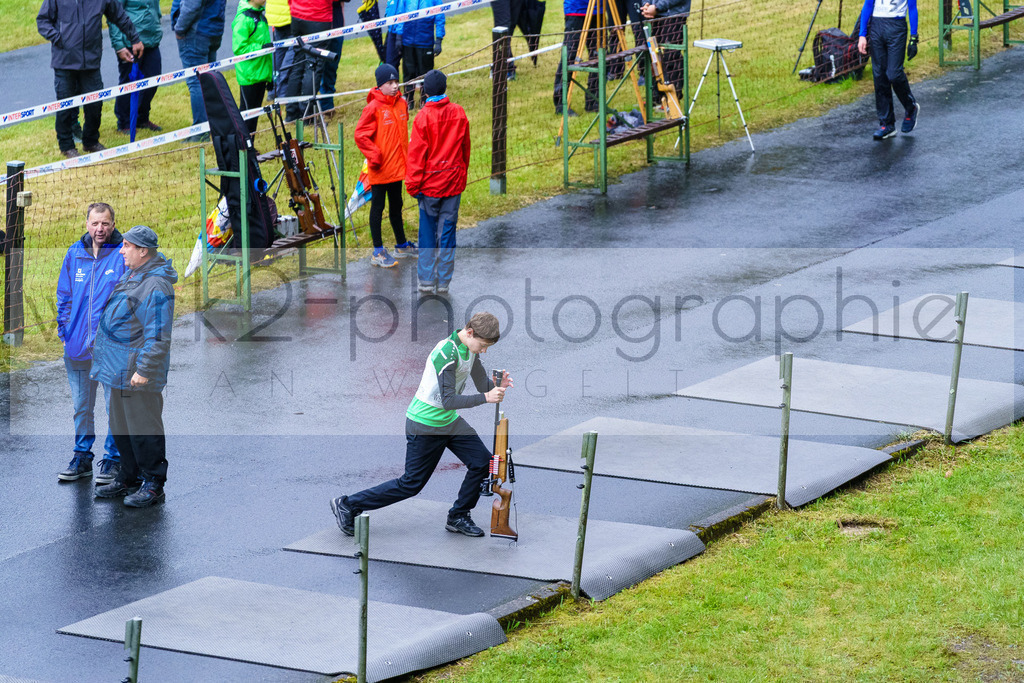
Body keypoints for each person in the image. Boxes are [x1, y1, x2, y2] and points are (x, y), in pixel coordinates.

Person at [331, 312, 512, 537]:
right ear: (470, 332)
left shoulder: (469, 350)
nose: (484, 350)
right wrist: (486, 398)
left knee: (481, 462)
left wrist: (496, 384)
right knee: (411, 484)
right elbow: (448, 401)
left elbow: (481, 383)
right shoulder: (446, 353)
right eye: (483, 345)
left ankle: (458, 515)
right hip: (424, 424)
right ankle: (348, 504)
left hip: (449, 422)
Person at [92, 226, 178, 508]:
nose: (121, 249)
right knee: (121, 426)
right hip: (118, 370)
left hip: (135, 373)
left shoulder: (155, 285)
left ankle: (153, 483)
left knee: (143, 427)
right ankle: (128, 476)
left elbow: (158, 335)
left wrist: (144, 370)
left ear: (143, 251)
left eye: (127, 246)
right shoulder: (135, 274)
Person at [55, 203, 127, 485]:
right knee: (82, 406)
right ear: (87, 224)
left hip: (111, 350)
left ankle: (112, 460)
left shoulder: (123, 253)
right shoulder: (74, 254)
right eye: (95, 223)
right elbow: (64, 294)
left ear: (113, 224)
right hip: (77, 349)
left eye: (106, 223)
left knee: (114, 407)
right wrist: (66, 332)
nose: (100, 229)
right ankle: (82, 457)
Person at [37, 0, 143, 158]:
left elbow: (119, 16)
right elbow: (43, 21)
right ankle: (66, 146)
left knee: (95, 104)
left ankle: (91, 142)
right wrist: (59, 38)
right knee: (64, 106)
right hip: (64, 61)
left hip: (91, 62)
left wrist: (135, 39)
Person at [405, 70, 470, 295]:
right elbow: (465, 149)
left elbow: (416, 156)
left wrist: (412, 185)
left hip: (430, 187)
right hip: (452, 184)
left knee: (427, 234)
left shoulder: (423, 117)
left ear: (425, 92)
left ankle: (426, 280)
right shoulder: (459, 113)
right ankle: (443, 281)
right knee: (447, 233)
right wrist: (461, 175)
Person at [354, 64, 418, 269]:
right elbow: (360, 135)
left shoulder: (401, 104)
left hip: (397, 168)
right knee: (378, 207)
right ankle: (377, 251)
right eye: (389, 83)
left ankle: (401, 244)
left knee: (396, 205)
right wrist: (375, 155)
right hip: (380, 168)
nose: (394, 86)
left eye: (396, 82)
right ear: (380, 85)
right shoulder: (372, 108)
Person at [858, 0, 920, 140]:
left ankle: (911, 107)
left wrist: (914, 38)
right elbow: (868, 5)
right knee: (880, 76)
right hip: (877, 26)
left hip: (896, 27)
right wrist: (862, 35)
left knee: (894, 74)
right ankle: (887, 125)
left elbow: (912, 8)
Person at [172, 0, 227, 130]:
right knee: (210, 80)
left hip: (197, 32)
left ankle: (200, 129)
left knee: (196, 82)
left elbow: (192, 5)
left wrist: (179, 29)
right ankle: (214, 126)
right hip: (213, 29)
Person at [111, 0, 164, 136]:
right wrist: (119, 45)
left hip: (151, 40)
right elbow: (114, 13)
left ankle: (141, 118)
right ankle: (124, 122)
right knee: (129, 83)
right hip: (130, 42)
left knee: (153, 79)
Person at [283, 0, 334, 122]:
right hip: (318, 16)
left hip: (297, 14)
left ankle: (291, 112)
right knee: (314, 66)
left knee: (298, 63)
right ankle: (307, 115)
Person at [393, 0, 445, 109]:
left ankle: (425, 100)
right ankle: (409, 100)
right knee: (409, 72)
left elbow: (440, 16)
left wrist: (439, 39)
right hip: (407, 42)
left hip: (425, 42)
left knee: (425, 73)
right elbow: (400, 14)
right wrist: (399, 35)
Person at [233, 0, 274, 134]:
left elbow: (267, 51)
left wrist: (270, 76)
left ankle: (251, 148)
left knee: (255, 115)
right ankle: (243, 149)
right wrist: (260, 48)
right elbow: (239, 48)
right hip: (249, 75)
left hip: (261, 74)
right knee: (246, 115)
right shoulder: (243, 18)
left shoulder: (261, 16)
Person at [553, 0, 600, 115]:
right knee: (570, 56)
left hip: (598, 10)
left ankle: (594, 100)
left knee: (598, 56)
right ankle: (561, 103)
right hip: (576, 10)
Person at [639, 0, 690, 99]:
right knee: (654, 55)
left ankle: (673, 97)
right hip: (656, 15)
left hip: (674, 14)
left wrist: (657, 7)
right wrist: (646, 4)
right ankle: (657, 96)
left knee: (671, 55)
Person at [318, 0, 346, 111]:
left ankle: (327, 106)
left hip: (336, 25)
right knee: (316, 68)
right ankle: (311, 106)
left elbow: (342, 5)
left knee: (331, 67)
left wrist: (342, 30)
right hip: (318, 24)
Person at [265, 0, 293, 100]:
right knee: (293, 53)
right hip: (290, 13)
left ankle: (273, 91)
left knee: (279, 52)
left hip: (275, 14)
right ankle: (282, 92)